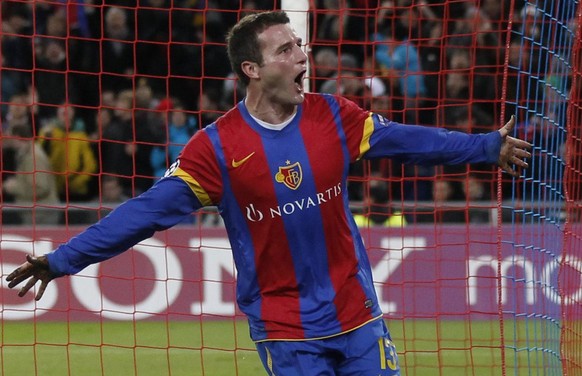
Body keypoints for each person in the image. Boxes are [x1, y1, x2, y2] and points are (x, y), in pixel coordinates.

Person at [6, 11, 531, 376]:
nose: (302, 55)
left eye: (299, 44)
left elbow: (410, 141)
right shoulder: (214, 149)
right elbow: (143, 214)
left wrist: (485, 147)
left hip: (359, 315)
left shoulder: (332, 115)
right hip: (285, 328)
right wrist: (62, 260)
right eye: (286, 49)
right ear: (252, 70)